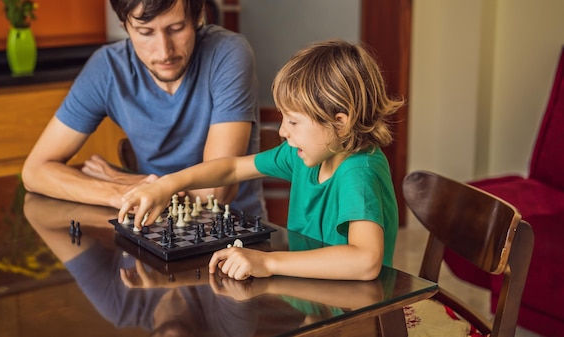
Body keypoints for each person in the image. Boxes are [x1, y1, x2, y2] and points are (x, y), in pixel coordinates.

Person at [118, 39, 404, 281]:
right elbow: (231, 168)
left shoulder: (359, 172)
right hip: (317, 297)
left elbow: (365, 262)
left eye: (293, 122)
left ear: (340, 123)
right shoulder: (303, 155)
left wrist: (268, 263)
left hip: (357, 314)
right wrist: (167, 184)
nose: (282, 132)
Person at [21, 0, 265, 218]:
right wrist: (119, 190)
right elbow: (34, 172)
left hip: (237, 237)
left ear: (198, 16)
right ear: (124, 24)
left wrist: (119, 178)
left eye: (176, 28)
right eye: (145, 32)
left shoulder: (227, 52)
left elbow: (215, 193)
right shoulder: (107, 67)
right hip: (152, 226)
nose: (164, 50)